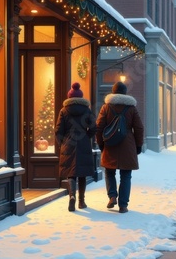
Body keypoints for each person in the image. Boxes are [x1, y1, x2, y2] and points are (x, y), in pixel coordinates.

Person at [96, 81, 144, 213]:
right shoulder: (131, 108)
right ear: (125, 92)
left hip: (110, 143)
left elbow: (99, 127)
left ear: (113, 92)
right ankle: (123, 205)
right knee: (126, 175)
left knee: (109, 172)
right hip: (127, 145)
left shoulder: (106, 107)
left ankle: (112, 197)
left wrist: (100, 143)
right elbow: (139, 128)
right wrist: (138, 145)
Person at [55, 82, 97, 212]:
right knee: (82, 174)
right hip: (83, 142)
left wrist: (61, 143)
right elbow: (94, 127)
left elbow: (58, 130)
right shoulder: (87, 110)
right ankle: (81, 202)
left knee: (71, 173)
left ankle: (72, 196)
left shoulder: (64, 110)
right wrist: (87, 136)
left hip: (68, 142)